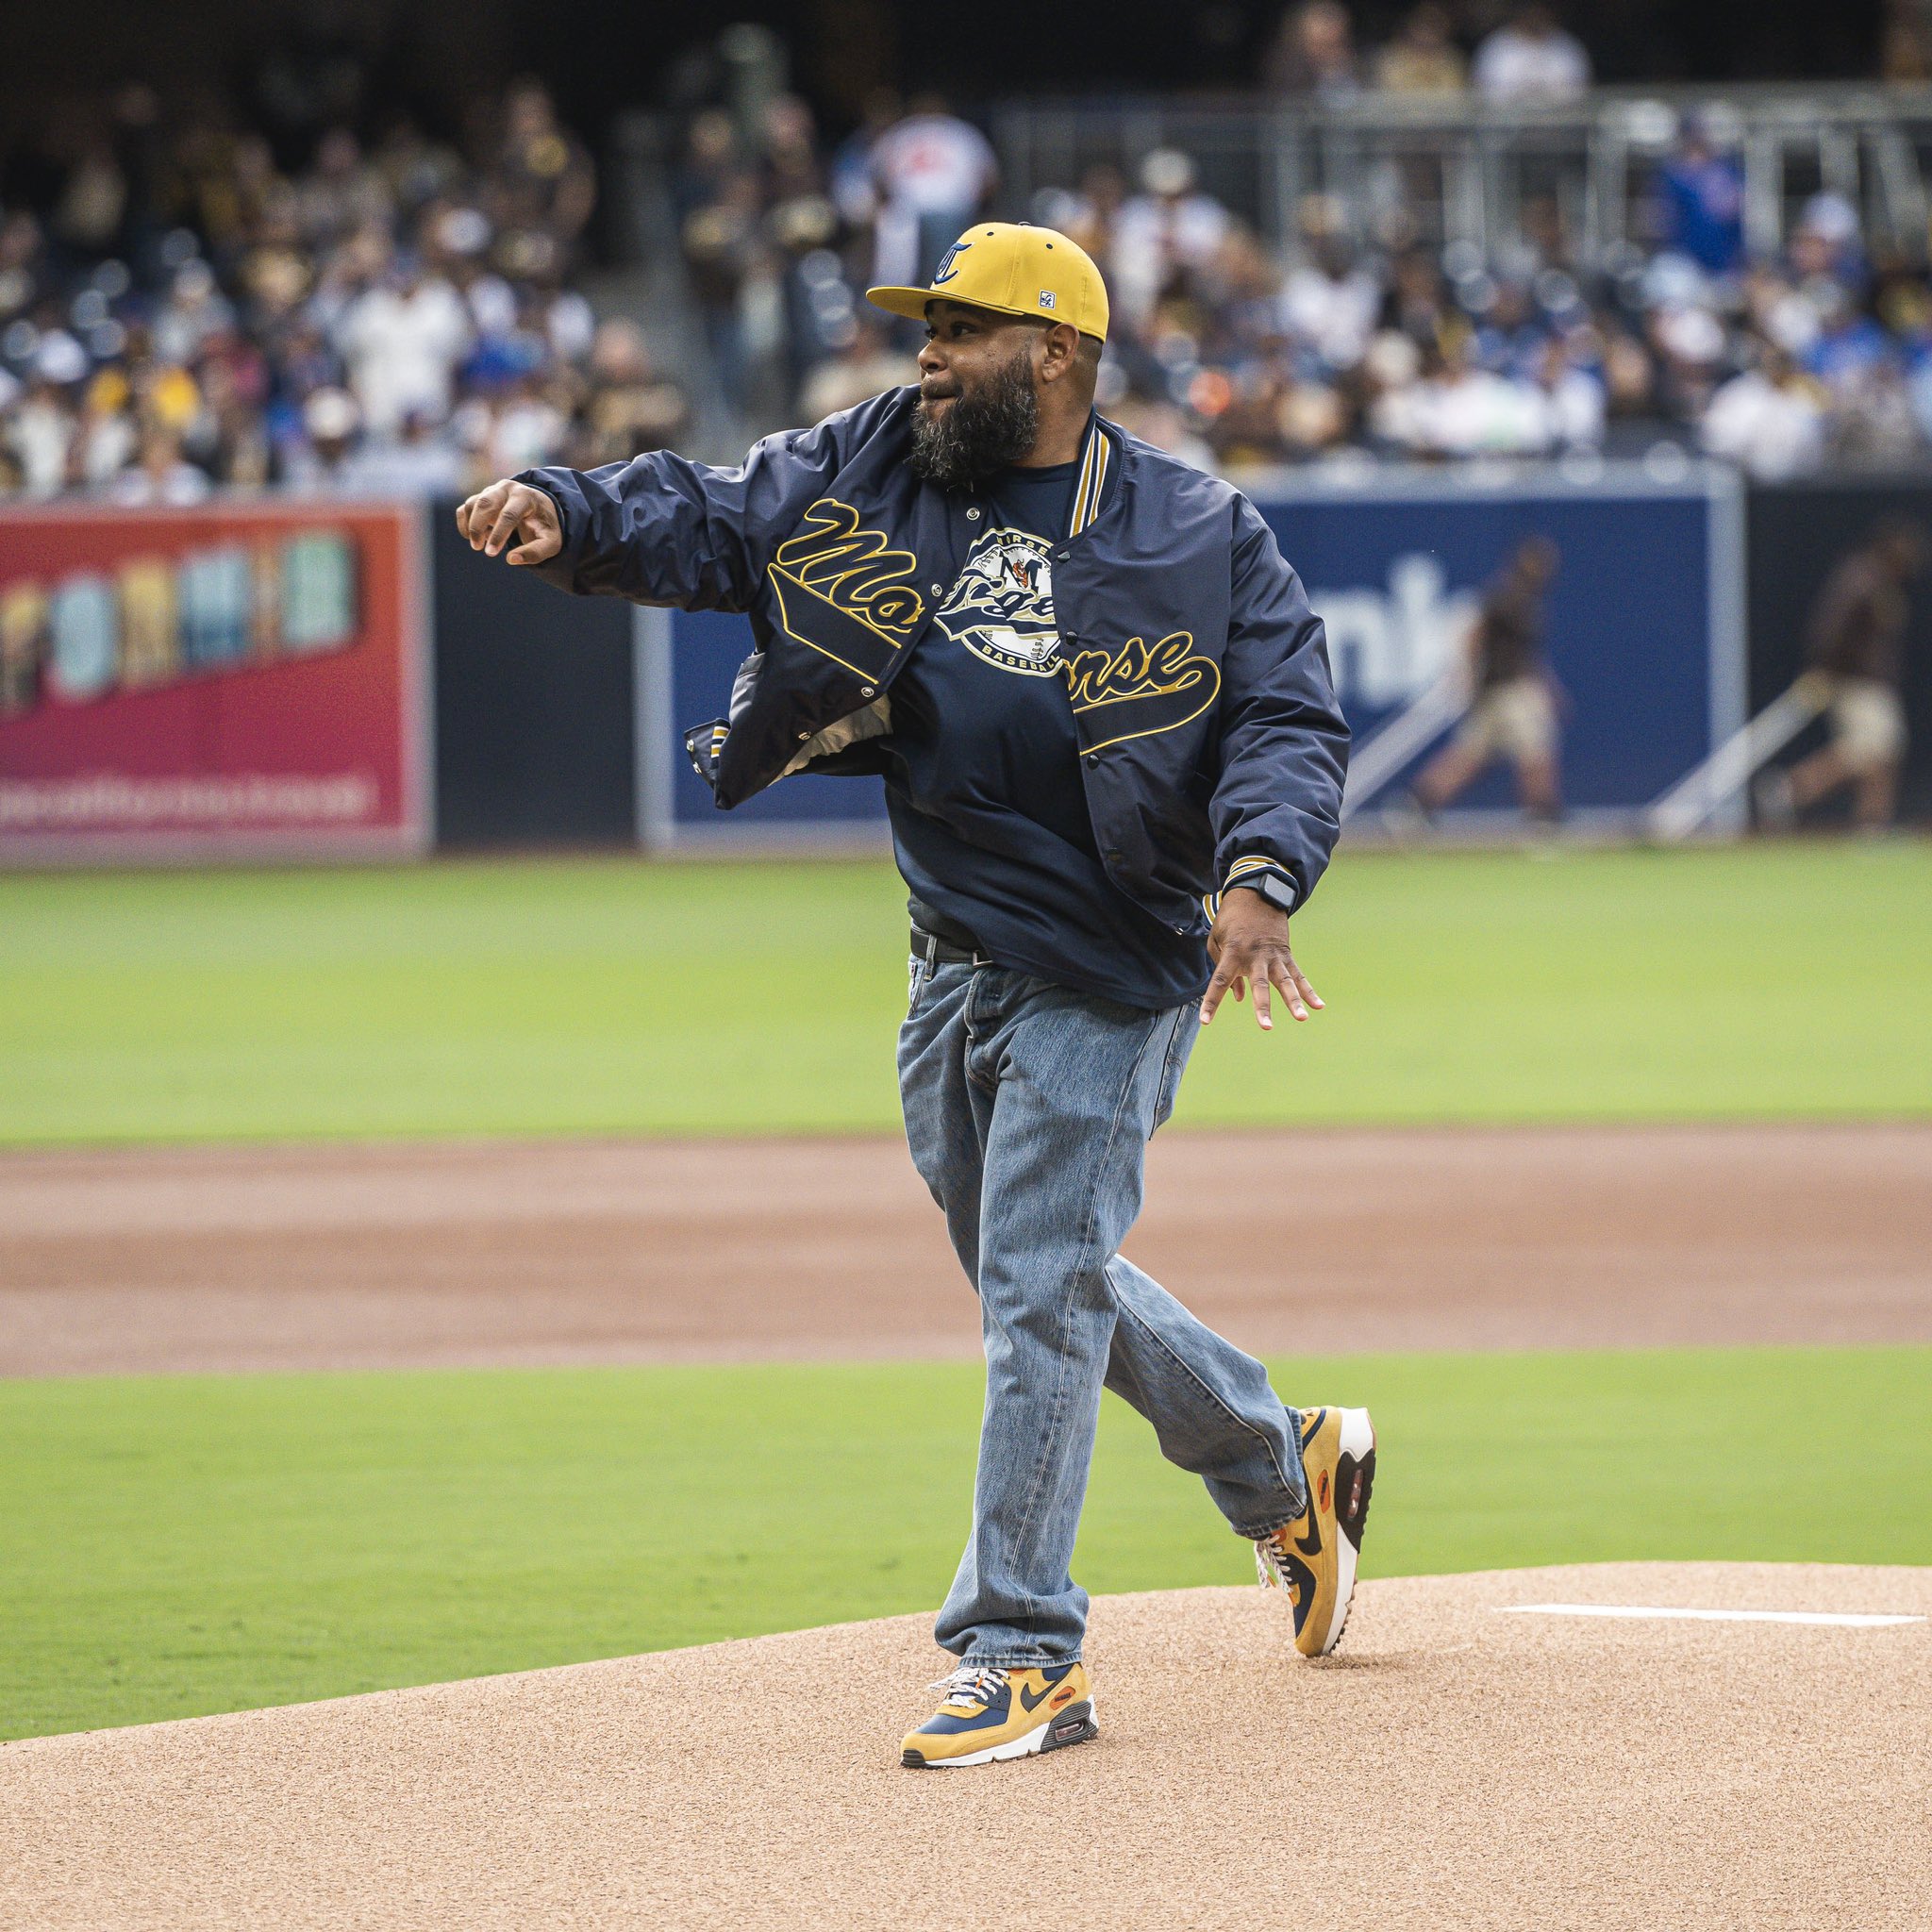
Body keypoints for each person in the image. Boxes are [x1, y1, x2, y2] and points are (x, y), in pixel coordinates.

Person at [456, 222, 1373, 1770]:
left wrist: (1258, 872)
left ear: (1058, 356)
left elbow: (1285, 707)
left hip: (1110, 963)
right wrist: (570, 506)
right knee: (1037, 1267)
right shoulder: (879, 459)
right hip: (946, 954)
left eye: (961, 330)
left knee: (1033, 1273)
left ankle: (1021, 1651)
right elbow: (713, 515)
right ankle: (1276, 1462)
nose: (927, 354)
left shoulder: (1192, 530)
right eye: (925, 327)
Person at [1757, 518, 1924, 830]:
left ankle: (1872, 823)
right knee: (1869, 749)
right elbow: (1830, 629)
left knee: (1882, 754)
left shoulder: (1882, 583)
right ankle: (1791, 789)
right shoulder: (1861, 579)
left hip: (1873, 683)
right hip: (1856, 682)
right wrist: (1823, 670)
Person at [1410, 535, 1564, 820]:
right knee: (1535, 753)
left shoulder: (1527, 601)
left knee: (1470, 755)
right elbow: (1473, 638)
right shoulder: (1504, 597)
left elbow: (1529, 656)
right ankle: (1544, 817)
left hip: (1500, 691)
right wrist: (1464, 677)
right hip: (1507, 690)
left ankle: (1420, 803)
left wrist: (1551, 688)